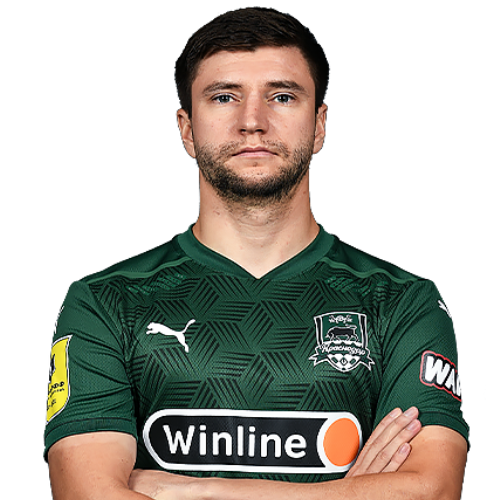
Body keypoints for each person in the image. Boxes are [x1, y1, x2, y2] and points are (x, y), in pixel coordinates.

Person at [44, 7, 469, 499]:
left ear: (319, 125)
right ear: (186, 129)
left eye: (282, 96)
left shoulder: (404, 302)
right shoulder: (104, 301)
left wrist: (193, 491)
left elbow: (432, 491)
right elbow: (87, 495)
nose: (252, 122)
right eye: (224, 97)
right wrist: (348, 494)